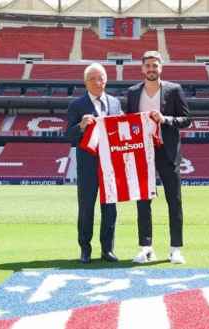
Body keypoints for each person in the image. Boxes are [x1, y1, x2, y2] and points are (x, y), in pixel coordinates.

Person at [126, 51, 191, 264]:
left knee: (174, 200)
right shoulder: (133, 92)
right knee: (143, 201)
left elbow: (186, 119)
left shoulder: (174, 90)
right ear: (142, 68)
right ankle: (146, 248)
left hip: (167, 151)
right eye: (148, 66)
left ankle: (175, 249)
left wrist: (166, 119)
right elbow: (128, 121)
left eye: (155, 65)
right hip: (142, 152)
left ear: (160, 67)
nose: (151, 69)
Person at [67, 63, 121, 264]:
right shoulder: (77, 105)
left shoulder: (115, 103)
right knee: (86, 207)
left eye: (101, 78)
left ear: (106, 80)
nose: (98, 82)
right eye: (93, 79)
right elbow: (67, 135)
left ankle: (108, 249)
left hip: (111, 165)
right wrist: (81, 125)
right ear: (85, 82)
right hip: (88, 165)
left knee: (110, 208)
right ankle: (85, 249)